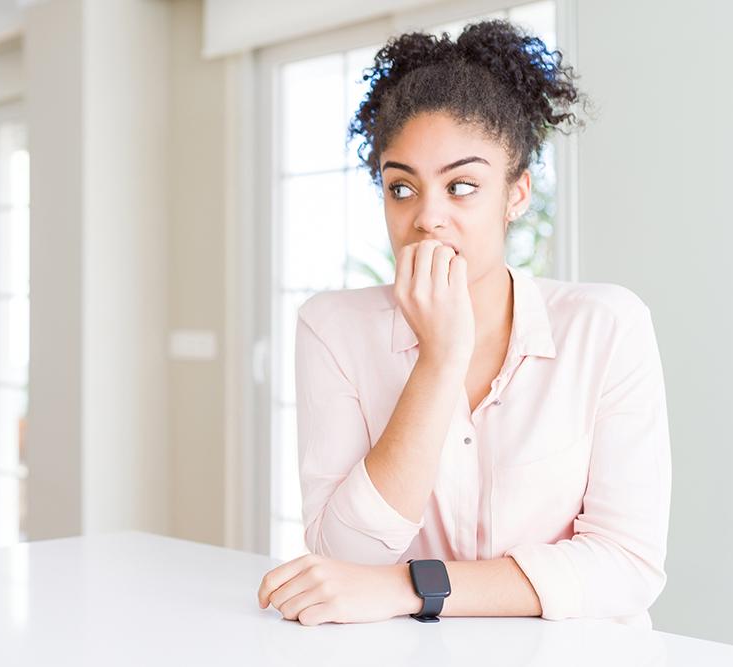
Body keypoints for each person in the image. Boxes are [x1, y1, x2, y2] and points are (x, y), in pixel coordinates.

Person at [257, 19, 671, 628]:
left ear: (516, 193)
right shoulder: (333, 329)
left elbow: (627, 566)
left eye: (462, 186)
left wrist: (408, 588)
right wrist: (439, 358)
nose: (427, 218)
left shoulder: (607, 327)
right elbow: (342, 556)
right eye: (401, 188)